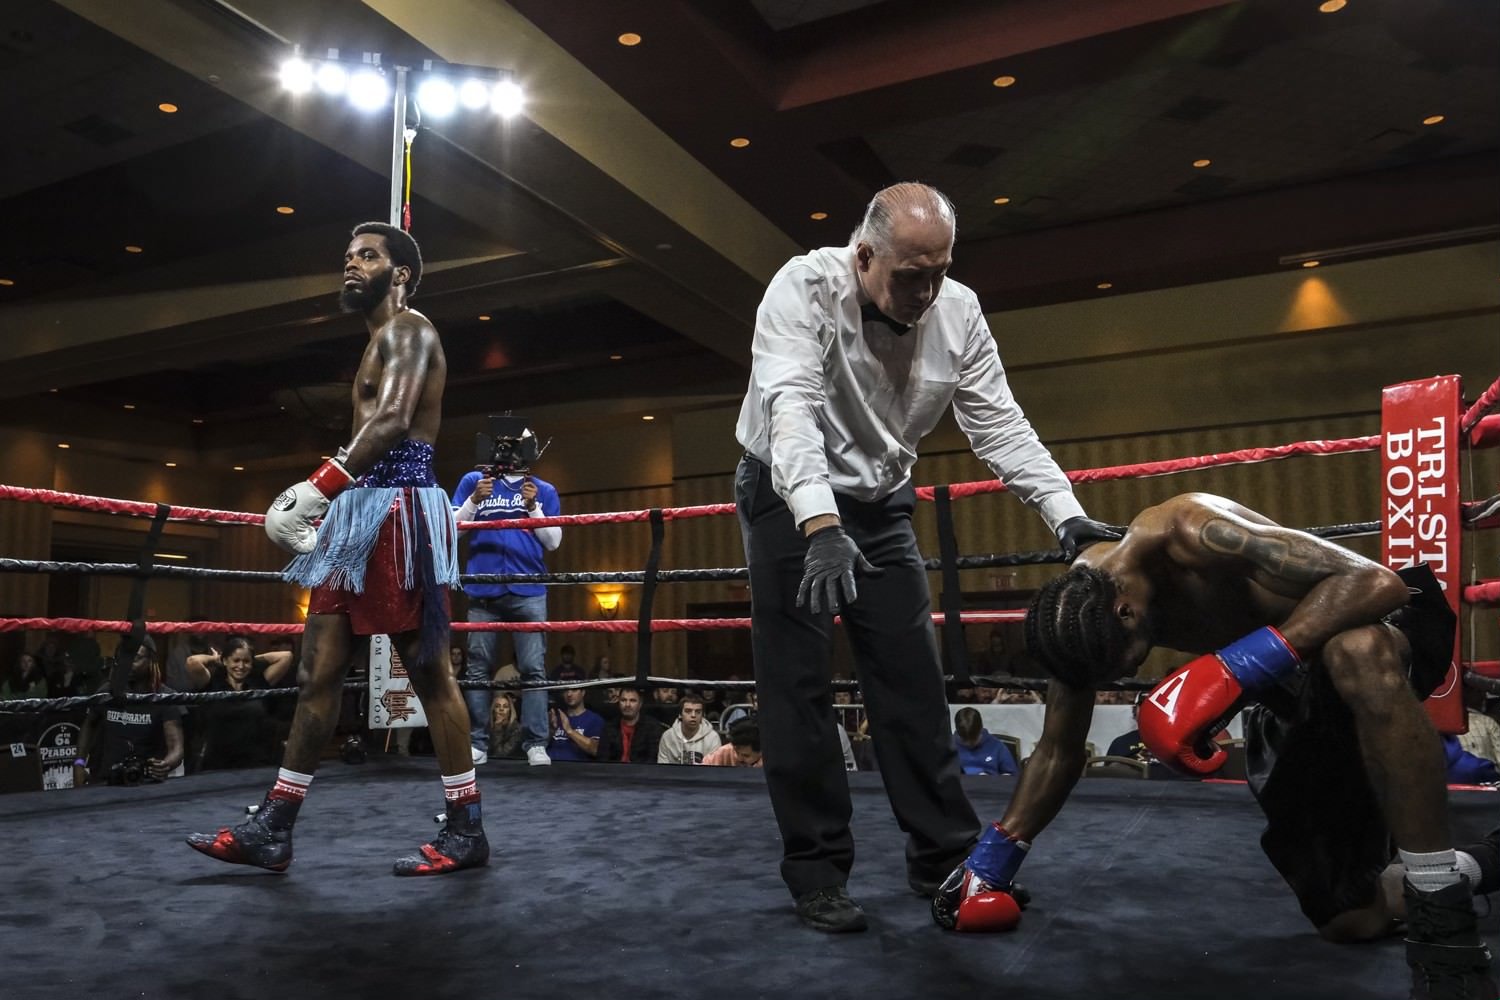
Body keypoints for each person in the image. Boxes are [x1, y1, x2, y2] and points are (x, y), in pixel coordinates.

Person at [733, 181, 1117, 933]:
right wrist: (819, 523)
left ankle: (944, 859)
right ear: (865, 255)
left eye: (940, 270)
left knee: (911, 677)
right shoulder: (801, 286)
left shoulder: (958, 309)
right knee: (798, 686)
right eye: (912, 274)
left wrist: (1067, 516)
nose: (928, 290)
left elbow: (998, 421)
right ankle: (816, 870)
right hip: (787, 492)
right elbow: (791, 411)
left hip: (880, 501)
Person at [933, 493, 1495, 1000]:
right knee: (1352, 920)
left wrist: (1235, 667)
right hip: (1293, 688)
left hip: (1385, 622)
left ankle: (1445, 926)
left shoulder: (1193, 532)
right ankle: (1477, 864)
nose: (1122, 674)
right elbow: (1058, 749)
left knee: (1355, 649)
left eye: (1120, 664)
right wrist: (993, 861)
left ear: (1125, 611)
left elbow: (1379, 583)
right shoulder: (1080, 618)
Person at [187, 221, 485, 877]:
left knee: (429, 673)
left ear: (400, 272)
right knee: (317, 670)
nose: (351, 264)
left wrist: (319, 484)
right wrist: (334, 494)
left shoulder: (411, 330)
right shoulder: (378, 340)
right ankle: (275, 826)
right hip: (357, 515)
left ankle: (466, 828)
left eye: (368, 255)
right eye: (347, 255)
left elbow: (395, 419)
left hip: (397, 512)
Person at [451, 418, 561, 768]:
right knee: (479, 668)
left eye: (513, 444)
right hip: (483, 588)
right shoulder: (474, 482)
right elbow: (451, 532)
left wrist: (533, 508)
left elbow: (554, 542)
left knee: (533, 668)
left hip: (528, 589)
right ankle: (478, 743)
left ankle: (535, 744)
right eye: (502, 443)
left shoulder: (542, 489)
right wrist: (472, 502)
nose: (506, 450)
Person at [78, 637, 184, 785]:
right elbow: (88, 725)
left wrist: (165, 765)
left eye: (136, 658)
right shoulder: (107, 691)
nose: (127, 664)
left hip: (146, 780)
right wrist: (78, 762)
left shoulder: (163, 697)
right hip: (107, 780)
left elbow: (176, 748)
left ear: (151, 660)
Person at [185, 636, 295, 771]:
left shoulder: (259, 682)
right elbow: (192, 661)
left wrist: (250, 657)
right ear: (225, 661)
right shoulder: (212, 683)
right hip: (217, 763)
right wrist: (216, 659)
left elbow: (286, 656)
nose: (241, 666)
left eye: (246, 661)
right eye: (236, 660)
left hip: (256, 761)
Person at [547, 669, 604, 762]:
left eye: (574, 689)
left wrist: (570, 731)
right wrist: (551, 730)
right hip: (548, 770)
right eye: (566, 690)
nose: (569, 694)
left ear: (583, 692)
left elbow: (595, 749)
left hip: (575, 772)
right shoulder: (556, 717)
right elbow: (539, 748)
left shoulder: (595, 719)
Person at [598, 686, 665, 764]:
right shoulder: (609, 727)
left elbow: (653, 759)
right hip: (614, 773)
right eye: (623, 700)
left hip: (642, 773)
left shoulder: (653, 727)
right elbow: (602, 759)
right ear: (619, 702)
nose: (627, 704)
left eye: (632, 701)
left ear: (640, 704)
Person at [952, 707, 1017, 776]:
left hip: (990, 784)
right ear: (958, 734)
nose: (969, 744)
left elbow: (1012, 775)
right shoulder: (948, 747)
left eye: (974, 739)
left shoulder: (997, 746)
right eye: (965, 740)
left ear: (980, 729)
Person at [487, 694, 524, 760]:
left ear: (510, 711)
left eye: (505, 706)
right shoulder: (486, 727)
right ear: (493, 710)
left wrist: (498, 730)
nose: (501, 709)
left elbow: (500, 755)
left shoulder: (517, 729)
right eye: (497, 706)